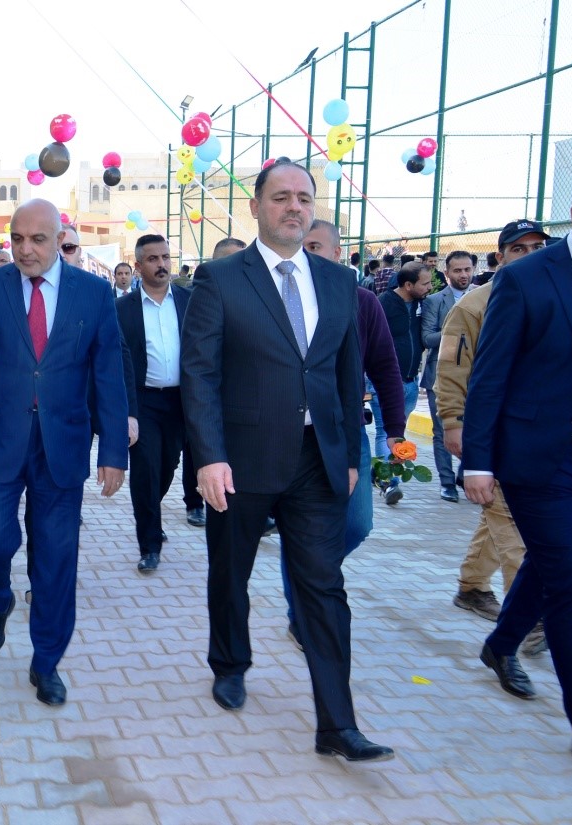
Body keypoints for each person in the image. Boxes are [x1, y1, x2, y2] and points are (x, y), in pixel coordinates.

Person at [182, 161, 392, 761]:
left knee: (324, 586)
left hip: (316, 460)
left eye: (303, 197)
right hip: (241, 461)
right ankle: (230, 662)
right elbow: (200, 373)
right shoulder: (221, 278)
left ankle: (338, 725)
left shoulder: (338, 281)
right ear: (256, 207)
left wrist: (347, 453)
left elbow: (346, 373)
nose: (293, 207)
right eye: (280, 197)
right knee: (231, 572)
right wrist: (210, 457)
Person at [464, 157, 572, 783]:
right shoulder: (528, 279)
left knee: (552, 562)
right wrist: (477, 461)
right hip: (543, 460)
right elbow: (490, 376)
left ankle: (500, 643)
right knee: (570, 583)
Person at [0, 198, 127, 706]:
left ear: (59, 238)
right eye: (18, 239)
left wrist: (114, 451)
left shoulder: (94, 294)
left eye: (38, 239)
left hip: (62, 446)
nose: (26, 249)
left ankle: (46, 661)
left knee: (54, 559)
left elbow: (109, 375)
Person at [278, 220, 406, 645]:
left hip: (347, 434)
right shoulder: (277, 296)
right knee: (304, 529)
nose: (306, 253)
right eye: (302, 245)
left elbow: (385, 366)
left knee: (357, 524)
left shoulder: (362, 302)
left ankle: (308, 569)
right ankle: (304, 612)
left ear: (337, 253)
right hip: (292, 434)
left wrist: (395, 430)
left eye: (315, 246)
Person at [437, 220, 549, 649]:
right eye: (519, 249)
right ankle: (530, 617)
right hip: (493, 433)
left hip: (538, 433)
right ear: (500, 257)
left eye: (537, 247)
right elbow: (451, 368)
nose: (530, 256)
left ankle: (472, 586)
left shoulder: (554, 297)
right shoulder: (473, 307)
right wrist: (453, 422)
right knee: (512, 522)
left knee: (497, 514)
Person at [116, 234, 191, 573]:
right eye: (153, 259)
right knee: (145, 470)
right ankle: (149, 544)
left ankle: (151, 513)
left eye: (165, 257)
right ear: (138, 266)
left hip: (180, 401)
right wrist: (125, 411)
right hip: (143, 402)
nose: (162, 264)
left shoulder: (190, 301)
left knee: (168, 465)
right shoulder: (123, 309)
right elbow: (117, 361)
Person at [421, 251, 475, 503]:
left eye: (467, 269)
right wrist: (458, 333)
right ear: (447, 273)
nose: (463, 275)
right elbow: (427, 338)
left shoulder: (482, 296)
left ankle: (465, 475)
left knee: (475, 429)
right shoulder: (435, 301)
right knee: (442, 430)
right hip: (439, 375)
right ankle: (446, 482)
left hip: (475, 376)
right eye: (458, 270)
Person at [374, 261, 428, 503]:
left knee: (398, 431)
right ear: (408, 285)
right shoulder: (382, 305)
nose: (429, 287)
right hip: (383, 382)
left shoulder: (421, 304)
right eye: (424, 283)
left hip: (410, 380)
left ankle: (383, 472)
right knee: (384, 431)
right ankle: (389, 483)